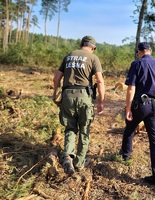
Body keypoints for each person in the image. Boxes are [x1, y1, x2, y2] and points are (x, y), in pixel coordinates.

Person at [119, 42, 155, 186]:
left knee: (129, 128)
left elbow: (131, 88)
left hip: (141, 105)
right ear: (150, 51)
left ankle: (125, 155)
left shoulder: (136, 64)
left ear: (139, 52)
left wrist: (128, 109)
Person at [52, 35, 105, 174]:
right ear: (93, 47)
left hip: (67, 96)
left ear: (81, 44)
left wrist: (56, 95)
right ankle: (79, 163)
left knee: (70, 128)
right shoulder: (93, 58)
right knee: (84, 130)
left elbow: (56, 78)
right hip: (84, 97)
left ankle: (68, 156)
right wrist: (101, 101)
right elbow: (99, 81)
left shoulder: (69, 56)